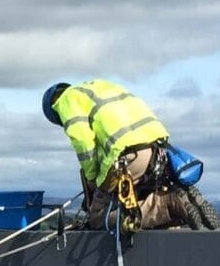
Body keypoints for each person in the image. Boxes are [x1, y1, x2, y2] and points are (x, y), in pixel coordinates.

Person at [42, 79, 190, 231]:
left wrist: (93, 178)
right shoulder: (99, 87)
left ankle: (167, 203)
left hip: (128, 156)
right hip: (158, 151)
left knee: (98, 217)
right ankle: (179, 210)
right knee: (135, 199)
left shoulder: (66, 101)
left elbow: (83, 142)